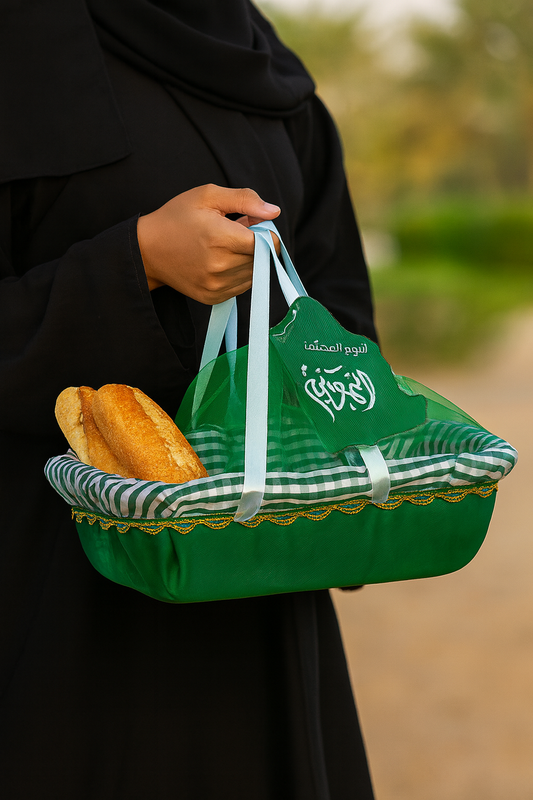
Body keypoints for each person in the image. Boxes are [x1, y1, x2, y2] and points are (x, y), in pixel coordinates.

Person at [0, 1, 377, 797]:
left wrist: (357, 481)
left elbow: (334, 294)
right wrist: (132, 263)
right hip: (55, 598)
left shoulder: (265, 67)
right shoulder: (22, 41)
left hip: (259, 574)